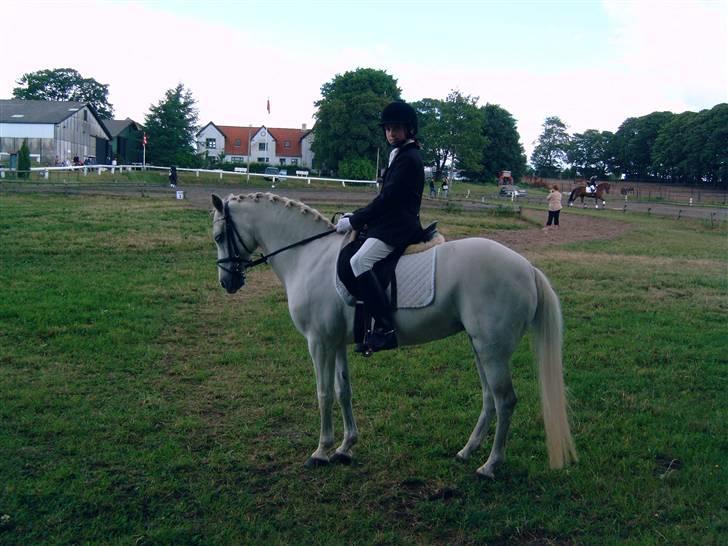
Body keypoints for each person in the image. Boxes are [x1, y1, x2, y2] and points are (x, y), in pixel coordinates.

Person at [335, 100, 425, 353]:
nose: (391, 133)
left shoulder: (409, 158)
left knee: (358, 262)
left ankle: (385, 328)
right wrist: (361, 215)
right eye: (387, 128)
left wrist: (355, 220)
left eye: (397, 128)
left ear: (410, 129)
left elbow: (389, 199)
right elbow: (385, 200)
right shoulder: (400, 154)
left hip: (398, 227)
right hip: (390, 222)